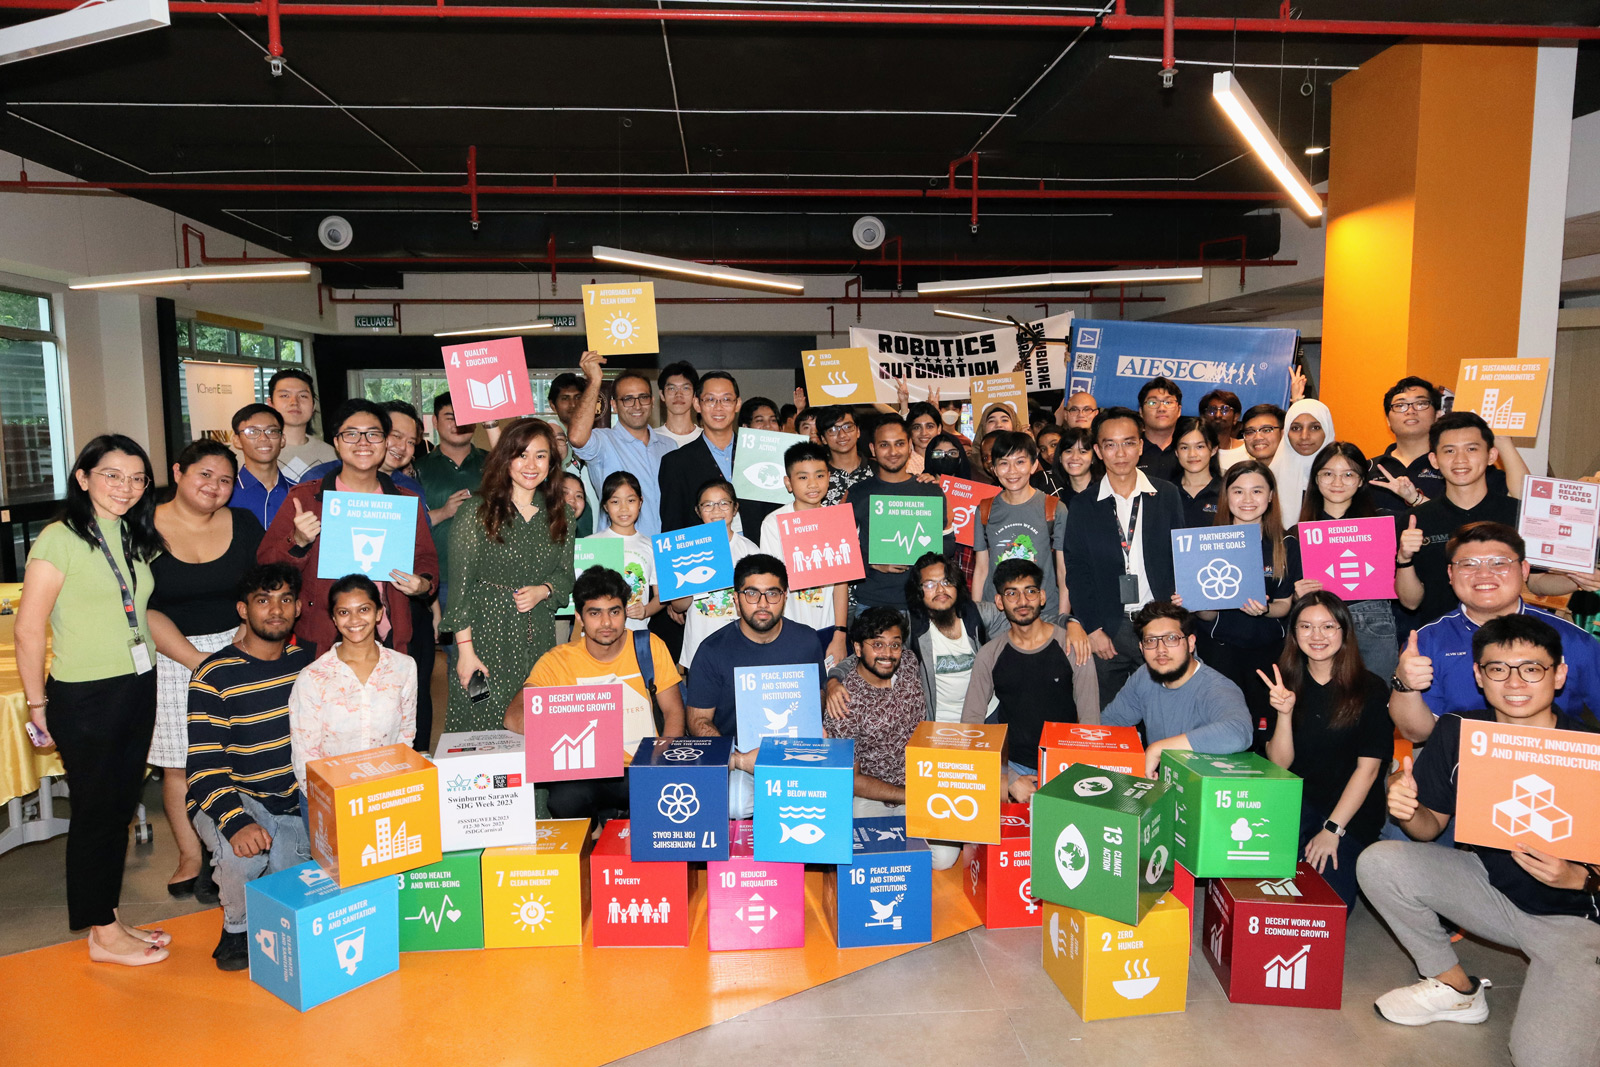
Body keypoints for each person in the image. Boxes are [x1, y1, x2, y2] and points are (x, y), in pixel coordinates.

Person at [1358, 614, 1600, 1067]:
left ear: (1559, 674)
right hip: (1493, 891)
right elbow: (1429, 829)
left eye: (1531, 668)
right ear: (1478, 675)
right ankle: (1455, 989)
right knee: (1381, 861)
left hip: (1577, 923)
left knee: (1543, 1058)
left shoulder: (1591, 748)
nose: (1514, 682)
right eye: (1497, 669)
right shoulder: (1460, 732)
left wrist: (1579, 878)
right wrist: (1408, 808)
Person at [17, 435, 169, 965]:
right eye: (111, 475)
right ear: (83, 478)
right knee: (96, 813)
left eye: (136, 478)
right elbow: (29, 628)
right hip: (84, 695)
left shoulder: (128, 532)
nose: (124, 488)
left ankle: (109, 916)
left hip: (135, 683)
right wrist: (37, 705)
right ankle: (101, 933)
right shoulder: (59, 538)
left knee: (117, 809)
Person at [146, 440, 264, 897]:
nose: (215, 487)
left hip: (239, 644)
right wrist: (199, 662)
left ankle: (236, 847)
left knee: (242, 756)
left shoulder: (244, 522)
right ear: (178, 472)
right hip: (170, 654)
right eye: (204, 475)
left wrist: (245, 633)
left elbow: (260, 584)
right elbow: (139, 604)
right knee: (181, 764)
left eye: (225, 480)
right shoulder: (143, 524)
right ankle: (190, 855)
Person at [185, 563, 312, 970]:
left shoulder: (308, 666)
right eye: (263, 600)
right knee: (245, 857)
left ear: (297, 610)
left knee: (287, 878)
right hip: (230, 795)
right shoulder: (214, 674)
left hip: (290, 801)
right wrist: (235, 821)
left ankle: (255, 898)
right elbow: (203, 768)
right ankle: (235, 930)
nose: (275, 610)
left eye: (285, 600)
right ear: (243, 610)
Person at [259, 399, 437, 661]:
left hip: (388, 638)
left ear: (385, 443)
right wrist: (297, 541)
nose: (363, 442)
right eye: (351, 434)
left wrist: (422, 583)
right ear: (337, 442)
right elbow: (266, 568)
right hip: (323, 638)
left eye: (373, 434)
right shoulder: (307, 498)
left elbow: (426, 559)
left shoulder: (405, 501)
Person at [1391, 522, 1600, 740]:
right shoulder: (1427, 641)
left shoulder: (1574, 640)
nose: (1483, 574)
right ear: (1451, 574)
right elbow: (1417, 735)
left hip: (1556, 760)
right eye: (1469, 564)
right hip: (1462, 763)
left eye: (1499, 563)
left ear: (1524, 570)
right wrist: (1404, 684)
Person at [510, 566, 685, 822]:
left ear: (625, 612)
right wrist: (562, 724)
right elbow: (513, 716)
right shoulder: (559, 661)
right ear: (579, 616)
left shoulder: (648, 646)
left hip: (641, 766)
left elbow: (674, 711)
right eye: (595, 613)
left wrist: (661, 763)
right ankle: (593, 835)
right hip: (585, 772)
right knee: (564, 798)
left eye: (614, 612)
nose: (606, 623)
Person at [440, 418, 575, 733]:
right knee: (479, 722)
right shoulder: (476, 511)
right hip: (483, 637)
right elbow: (459, 591)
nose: (531, 465)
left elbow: (565, 576)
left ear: (552, 461)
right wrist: (465, 653)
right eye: (521, 454)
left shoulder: (562, 514)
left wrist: (545, 589)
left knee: (533, 726)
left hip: (538, 637)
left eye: (540, 456)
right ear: (505, 458)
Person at [1260, 592, 1392, 909]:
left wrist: (1332, 829)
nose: (1317, 636)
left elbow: (1369, 769)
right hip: (1296, 805)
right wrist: (1285, 713)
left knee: (1323, 906)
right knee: (1267, 888)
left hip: (1349, 813)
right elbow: (1280, 764)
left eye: (1328, 626)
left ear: (1344, 632)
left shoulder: (1370, 687)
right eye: (1306, 626)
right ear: (1294, 633)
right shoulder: (1280, 681)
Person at [1396, 412, 1572, 626]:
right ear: (1434, 459)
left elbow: (1537, 582)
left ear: (1491, 455)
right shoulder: (1414, 521)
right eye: (1449, 451)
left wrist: (1579, 579)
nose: (1460, 460)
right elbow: (1411, 602)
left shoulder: (1516, 514)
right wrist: (1404, 558)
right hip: (1441, 640)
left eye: (1471, 449)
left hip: (1507, 638)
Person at [684, 554, 827, 814]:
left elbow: (817, 695)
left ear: (784, 597)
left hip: (797, 753)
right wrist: (737, 759)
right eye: (751, 593)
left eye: (772, 594)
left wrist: (814, 726)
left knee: (834, 795)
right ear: (736, 600)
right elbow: (698, 722)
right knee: (736, 804)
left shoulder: (807, 640)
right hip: (741, 759)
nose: (762, 603)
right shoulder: (712, 650)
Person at [1064, 406, 1185, 706]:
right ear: (1097, 450)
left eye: (1129, 442)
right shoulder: (1083, 505)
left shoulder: (1166, 495)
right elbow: (1077, 572)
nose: (1121, 453)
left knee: (1165, 713)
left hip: (1160, 625)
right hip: (1109, 630)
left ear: (1141, 446)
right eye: (1110, 444)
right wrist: (1092, 628)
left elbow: (1182, 556)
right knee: (1110, 720)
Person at [960, 558, 1100, 801]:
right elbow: (971, 727)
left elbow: (1090, 724)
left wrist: (1077, 772)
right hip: (1013, 769)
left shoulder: (1073, 646)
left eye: (1030, 591)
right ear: (999, 602)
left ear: (1042, 597)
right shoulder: (989, 654)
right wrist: (1009, 779)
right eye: (1012, 593)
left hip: (1066, 767)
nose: (1022, 601)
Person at [1192, 460, 1293, 751]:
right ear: (1226, 496)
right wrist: (1194, 601)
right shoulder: (1206, 541)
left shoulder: (1285, 543)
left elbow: (1285, 605)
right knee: (1218, 729)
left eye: (1257, 491)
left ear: (1271, 495)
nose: (1247, 500)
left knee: (1262, 732)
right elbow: (1207, 614)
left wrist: (1265, 609)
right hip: (1219, 652)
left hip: (1267, 652)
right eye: (1238, 491)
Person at [288, 574, 418, 794]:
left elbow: (405, 736)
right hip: (329, 796)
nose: (354, 620)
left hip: (386, 791)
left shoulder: (403, 667)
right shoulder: (314, 676)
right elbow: (305, 754)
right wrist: (329, 802)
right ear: (334, 619)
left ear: (379, 613)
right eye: (344, 612)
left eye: (364, 609)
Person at [1284, 441, 1400, 682]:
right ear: (1315, 480)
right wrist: (1297, 595)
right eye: (1327, 474)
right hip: (1318, 630)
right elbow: (1285, 598)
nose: (1337, 482)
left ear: (1361, 480)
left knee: (1375, 703)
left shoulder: (1385, 524)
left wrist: (1414, 500)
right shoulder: (1296, 535)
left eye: (1348, 474)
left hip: (1374, 625)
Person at [1102, 601, 1253, 777]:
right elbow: (1110, 724)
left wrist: (1159, 748)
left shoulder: (1216, 688)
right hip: (1163, 785)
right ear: (1141, 649)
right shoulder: (1145, 676)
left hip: (1206, 792)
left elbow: (1239, 732)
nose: (1161, 650)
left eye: (1171, 638)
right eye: (1151, 641)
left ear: (1190, 643)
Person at [848, 414, 950, 616]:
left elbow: (948, 547)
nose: (893, 452)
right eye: (884, 445)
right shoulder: (858, 492)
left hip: (925, 603)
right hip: (873, 602)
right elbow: (840, 551)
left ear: (910, 446)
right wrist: (872, 562)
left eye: (900, 444)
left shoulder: (930, 490)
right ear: (873, 449)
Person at [568, 352, 679, 536]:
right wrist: (594, 381)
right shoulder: (604, 442)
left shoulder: (669, 446)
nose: (637, 405)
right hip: (619, 552)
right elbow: (577, 438)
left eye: (643, 397)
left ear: (652, 402)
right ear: (614, 404)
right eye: (627, 399)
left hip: (664, 551)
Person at [759, 442, 849, 666]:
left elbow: (841, 583)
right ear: (788, 483)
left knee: (831, 693)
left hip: (829, 627)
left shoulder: (837, 519)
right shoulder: (774, 523)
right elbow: (772, 584)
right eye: (802, 477)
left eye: (819, 476)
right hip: (788, 628)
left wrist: (840, 633)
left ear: (829, 477)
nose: (813, 484)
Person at [1367, 376, 1514, 513]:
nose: (1410, 411)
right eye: (1400, 405)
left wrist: (1503, 441)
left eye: (1421, 403)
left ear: (1438, 414)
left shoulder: (1459, 465)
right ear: (1387, 420)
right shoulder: (1366, 469)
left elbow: (1521, 500)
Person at [972, 431, 1068, 625]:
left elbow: (1063, 572)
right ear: (994, 468)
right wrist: (976, 615)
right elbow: (981, 569)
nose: (1012, 471)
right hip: (997, 614)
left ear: (1033, 465)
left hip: (1043, 613)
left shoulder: (1054, 508)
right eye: (1004, 463)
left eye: (1020, 462)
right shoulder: (984, 509)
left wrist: (1064, 619)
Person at [659, 371, 764, 533]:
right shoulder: (676, 463)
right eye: (710, 400)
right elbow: (673, 528)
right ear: (696, 404)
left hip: (757, 552)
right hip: (705, 554)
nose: (718, 407)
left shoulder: (759, 455)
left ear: (737, 404)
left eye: (727, 399)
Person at [674, 479, 760, 669]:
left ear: (735, 507)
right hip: (699, 643)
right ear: (698, 511)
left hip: (740, 645)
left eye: (723, 503)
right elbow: (679, 606)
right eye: (708, 505)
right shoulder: (685, 548)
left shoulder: (750, 550)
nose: (716, 510)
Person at [415, 392, 487, 608]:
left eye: (465, 417)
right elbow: (409, 525)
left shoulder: (493, 463)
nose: (458, 423)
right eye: (450, 416)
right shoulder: (418, 469)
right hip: (439, 577)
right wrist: (444, 512)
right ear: (435, 421)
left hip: (488, 576)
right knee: (451, 642)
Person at [593, 471, 660, 633]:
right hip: (598, 634)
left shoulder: (652, 546)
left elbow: (661, 597)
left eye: (630, 500)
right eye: (615, 501)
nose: (623, 508)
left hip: (636, 633)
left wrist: (646, 611)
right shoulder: (591, 543)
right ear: (605, 506)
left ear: (640, 502)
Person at [1269, 398, 1335, 529]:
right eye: (1296, 428)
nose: (1304, 436)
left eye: (1315, 427)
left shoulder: (1344, 479)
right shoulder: (1269, 479)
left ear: (1327, 431)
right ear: (1286, 433)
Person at [229, 403, 292, 527]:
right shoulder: (225, 494)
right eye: (252, 431)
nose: (263, 438)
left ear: (282, 440)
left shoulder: (299, 493)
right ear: (237, 440)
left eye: (272, 431)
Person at [269, 369, 336, 482]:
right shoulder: (249, 452)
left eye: (303, 396)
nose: (294, 402)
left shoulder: (332, 455)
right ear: (270, 404)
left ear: (314, 405)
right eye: (285, 395)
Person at [1172, 415, 1221, 529]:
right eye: (1184, 448)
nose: (1192, 454)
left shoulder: (1227, 491)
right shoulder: (1166, 492)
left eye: (1200, 447)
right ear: (1176, 452)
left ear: (1213, 450)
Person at [817, 406, 872, 507]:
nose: (842, 435)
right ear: (823, 438)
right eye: (833, 429)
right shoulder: (817, 476)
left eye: (847, 427)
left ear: (858, 431)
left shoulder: (878, 470)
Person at [1136, 376, 1183, 483]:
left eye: (1168, 402)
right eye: (1153, 403)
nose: (1161, 408)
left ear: (1179, 410)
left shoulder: (1188, 450)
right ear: (1141, 411)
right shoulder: (1131, 449)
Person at [656, 361, 702, 446]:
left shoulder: (706, 438)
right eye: (672, 388)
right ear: (662, 395)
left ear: (694, 395)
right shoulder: (652, 438)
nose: (678, 394)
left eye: (685, 388)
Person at [1200, 389, 1247, 470]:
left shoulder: (1247, 449)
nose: (1218, 415)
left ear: (1236, 417)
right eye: (1212, 410)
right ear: (1203, 416)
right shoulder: (1194, 450)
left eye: (1225, 410)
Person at [1050, 425, 1097, 506]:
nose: (1075, 457)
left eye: (1083, 452)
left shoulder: (1105, 492)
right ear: (1060, 457)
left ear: (1093, 457)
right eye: (1068, 451)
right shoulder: (1056, 497)